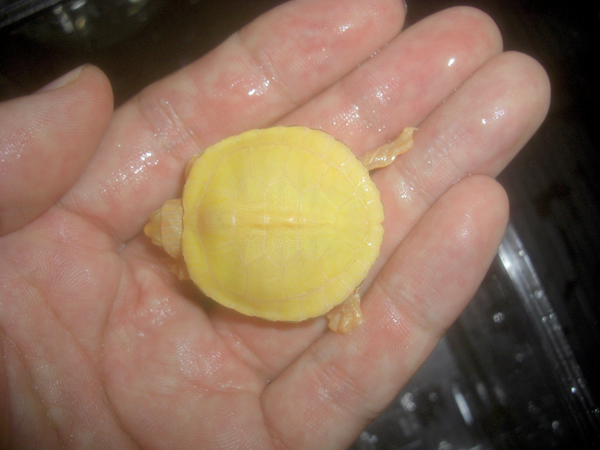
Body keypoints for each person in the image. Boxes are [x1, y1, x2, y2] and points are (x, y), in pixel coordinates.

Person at [0, 0, 550, 448]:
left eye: (163, 225)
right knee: (354, 174)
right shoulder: (204, 192)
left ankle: (346, 285)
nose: (157, 225)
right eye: (164, 228)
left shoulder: (202, 258)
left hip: (324, 232)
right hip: (334, 191)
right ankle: (362, 222)